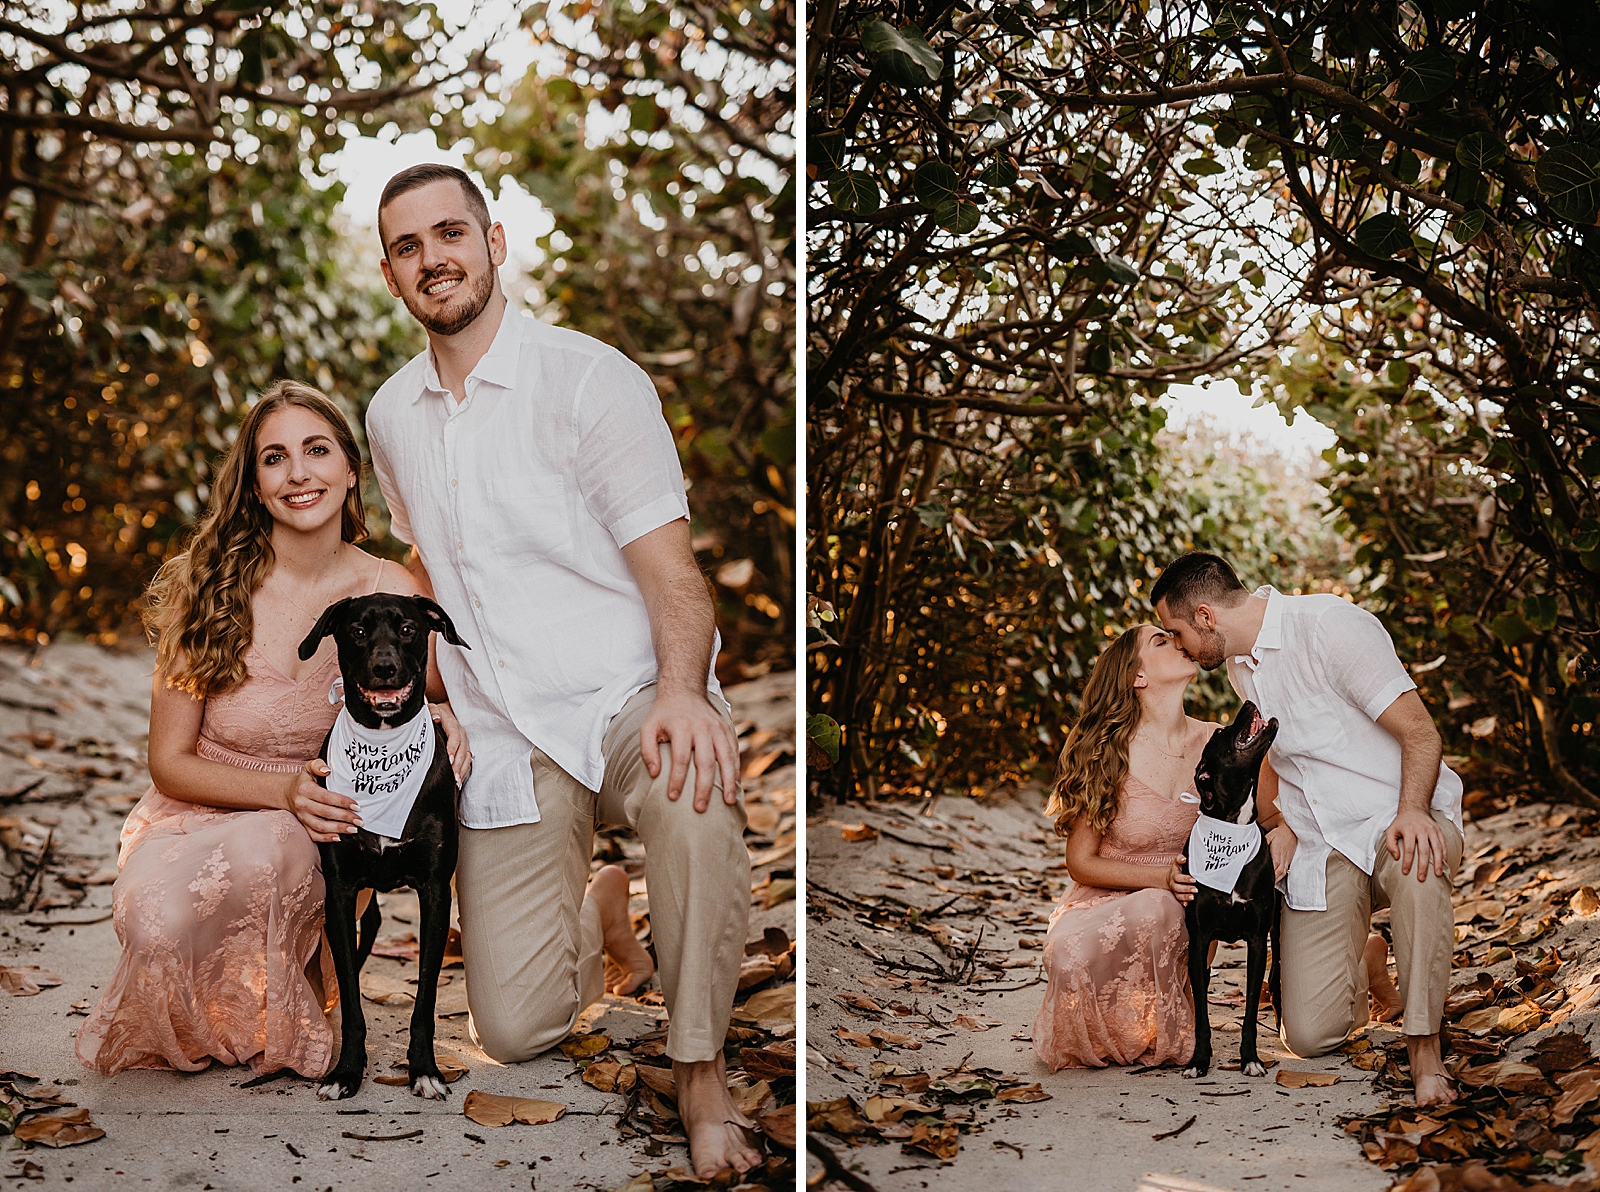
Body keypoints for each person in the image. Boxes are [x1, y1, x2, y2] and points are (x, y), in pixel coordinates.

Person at [358, 163, 757, 1179]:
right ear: (391, 274)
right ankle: (600, 912)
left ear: (494, 244)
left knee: (693, 789)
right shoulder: (390, 415)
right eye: (408, 246)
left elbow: (673, 572)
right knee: (516, 1030)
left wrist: (684, 693)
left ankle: (700, 1072)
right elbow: (428, 558)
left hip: (623, 694)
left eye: (450, 233)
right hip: (505, 729)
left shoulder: (590, 379)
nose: (432, 258)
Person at [76, 381, 476, 1078]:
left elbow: (432, 685)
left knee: (272, 851)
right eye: (274, 458)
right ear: (255, 486)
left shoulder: (390, 586)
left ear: (349, 470)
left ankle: (294, 984)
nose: (297, 473)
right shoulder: (207, 587)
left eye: (316, 450)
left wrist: (445, 714)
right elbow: (168, 761)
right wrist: (283, 789)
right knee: (154, 924)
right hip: (201, 808)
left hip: (319, 824)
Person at [1152, 551, 1461, 1106]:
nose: (1179, 647)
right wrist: (1284, 825)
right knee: (1309, 1038)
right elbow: (1276, 755)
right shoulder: (1241, 668)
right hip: (1322, 844)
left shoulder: (1329, 627)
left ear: (1204, 616)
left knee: (1417, 861)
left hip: (1391, 817)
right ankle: (1367, 958)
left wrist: (1414, 810)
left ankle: (1425, 1050)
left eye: (1177, 633)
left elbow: (1420, 732)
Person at [1034, 624, 1301, 1067]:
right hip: (1106, 896)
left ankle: (1171, 1015)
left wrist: (1287, 834)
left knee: (1159, 909)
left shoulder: (1223, 746)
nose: (1179, 642)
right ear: (1136, 676)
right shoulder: (1107, 751)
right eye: (1161, 640)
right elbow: (1080, 861)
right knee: (1069, 953)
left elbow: (1273, 817)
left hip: (1187, 905)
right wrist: (1160, 878)